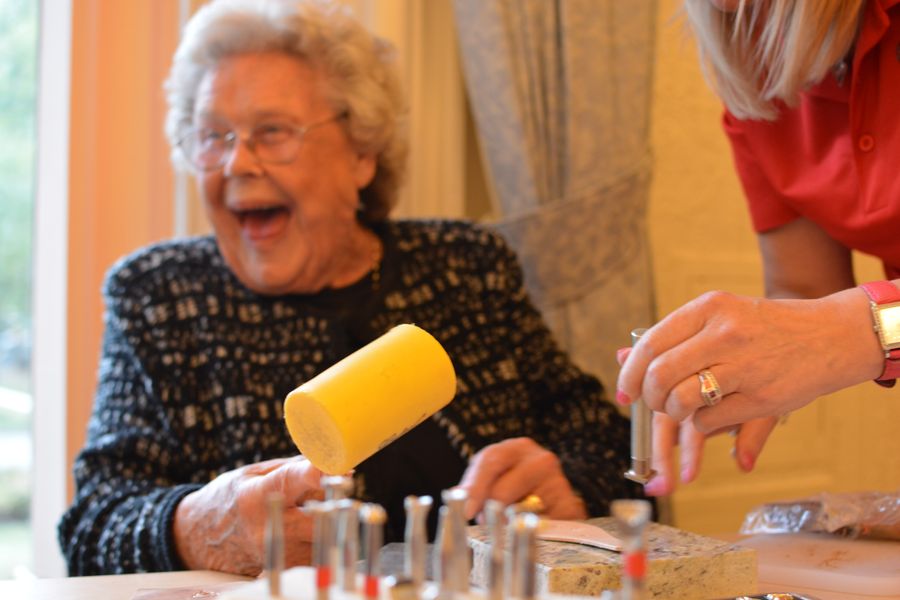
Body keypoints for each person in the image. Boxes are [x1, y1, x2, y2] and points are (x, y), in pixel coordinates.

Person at [58, 0, 643, 576]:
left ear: (362, 152)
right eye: (213, 135)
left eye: (272, 131)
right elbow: (92, 527)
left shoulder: (466, 270)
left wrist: (565, 489)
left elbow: (620, 457)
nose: (237, 162)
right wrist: (196, 525)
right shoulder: (159, 297)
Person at [616, 0, 900, 496]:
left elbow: (833, 328)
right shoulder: (761, 74)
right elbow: (805, 292)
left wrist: (866, 330)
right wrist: (724, 368)